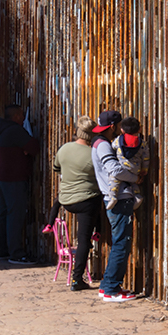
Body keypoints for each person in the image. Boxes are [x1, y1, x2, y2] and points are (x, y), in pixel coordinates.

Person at [51, 115, 105, 291]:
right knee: (83, 240)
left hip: (66, 199)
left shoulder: (64, 149)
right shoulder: (93, 154)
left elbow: (56, 168)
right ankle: (77, 279)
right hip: (86, 200)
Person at [91, 109, 140, 302]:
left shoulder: (98, 143)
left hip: (116, 197)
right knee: (121, 243)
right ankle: (111, 289)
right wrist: (135, 177)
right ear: (113, 127)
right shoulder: (103, 145)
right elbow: (115, 169)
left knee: (120, 242)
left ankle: (107, 286)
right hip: (119, 198)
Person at [0, 104, 39, 264]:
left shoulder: (1, 129)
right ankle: (16, 253)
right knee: (15, 215)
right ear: (16, 116)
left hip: (1, 177)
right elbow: (33, 147)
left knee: (3, 214)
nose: (23, 117)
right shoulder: (15, 130)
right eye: (21, 115)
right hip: (14, 178)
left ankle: (1, 250)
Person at [106, 116, 150, 210]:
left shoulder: (118, 140)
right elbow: (146, 157)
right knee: (134, 182)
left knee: (114, 178)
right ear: (139, 130)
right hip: (135, 168)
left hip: (122, 167)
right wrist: (144, 169)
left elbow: (112, 147)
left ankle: (112, 197)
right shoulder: (142, 143)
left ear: (122, 130)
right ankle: (137, 196)